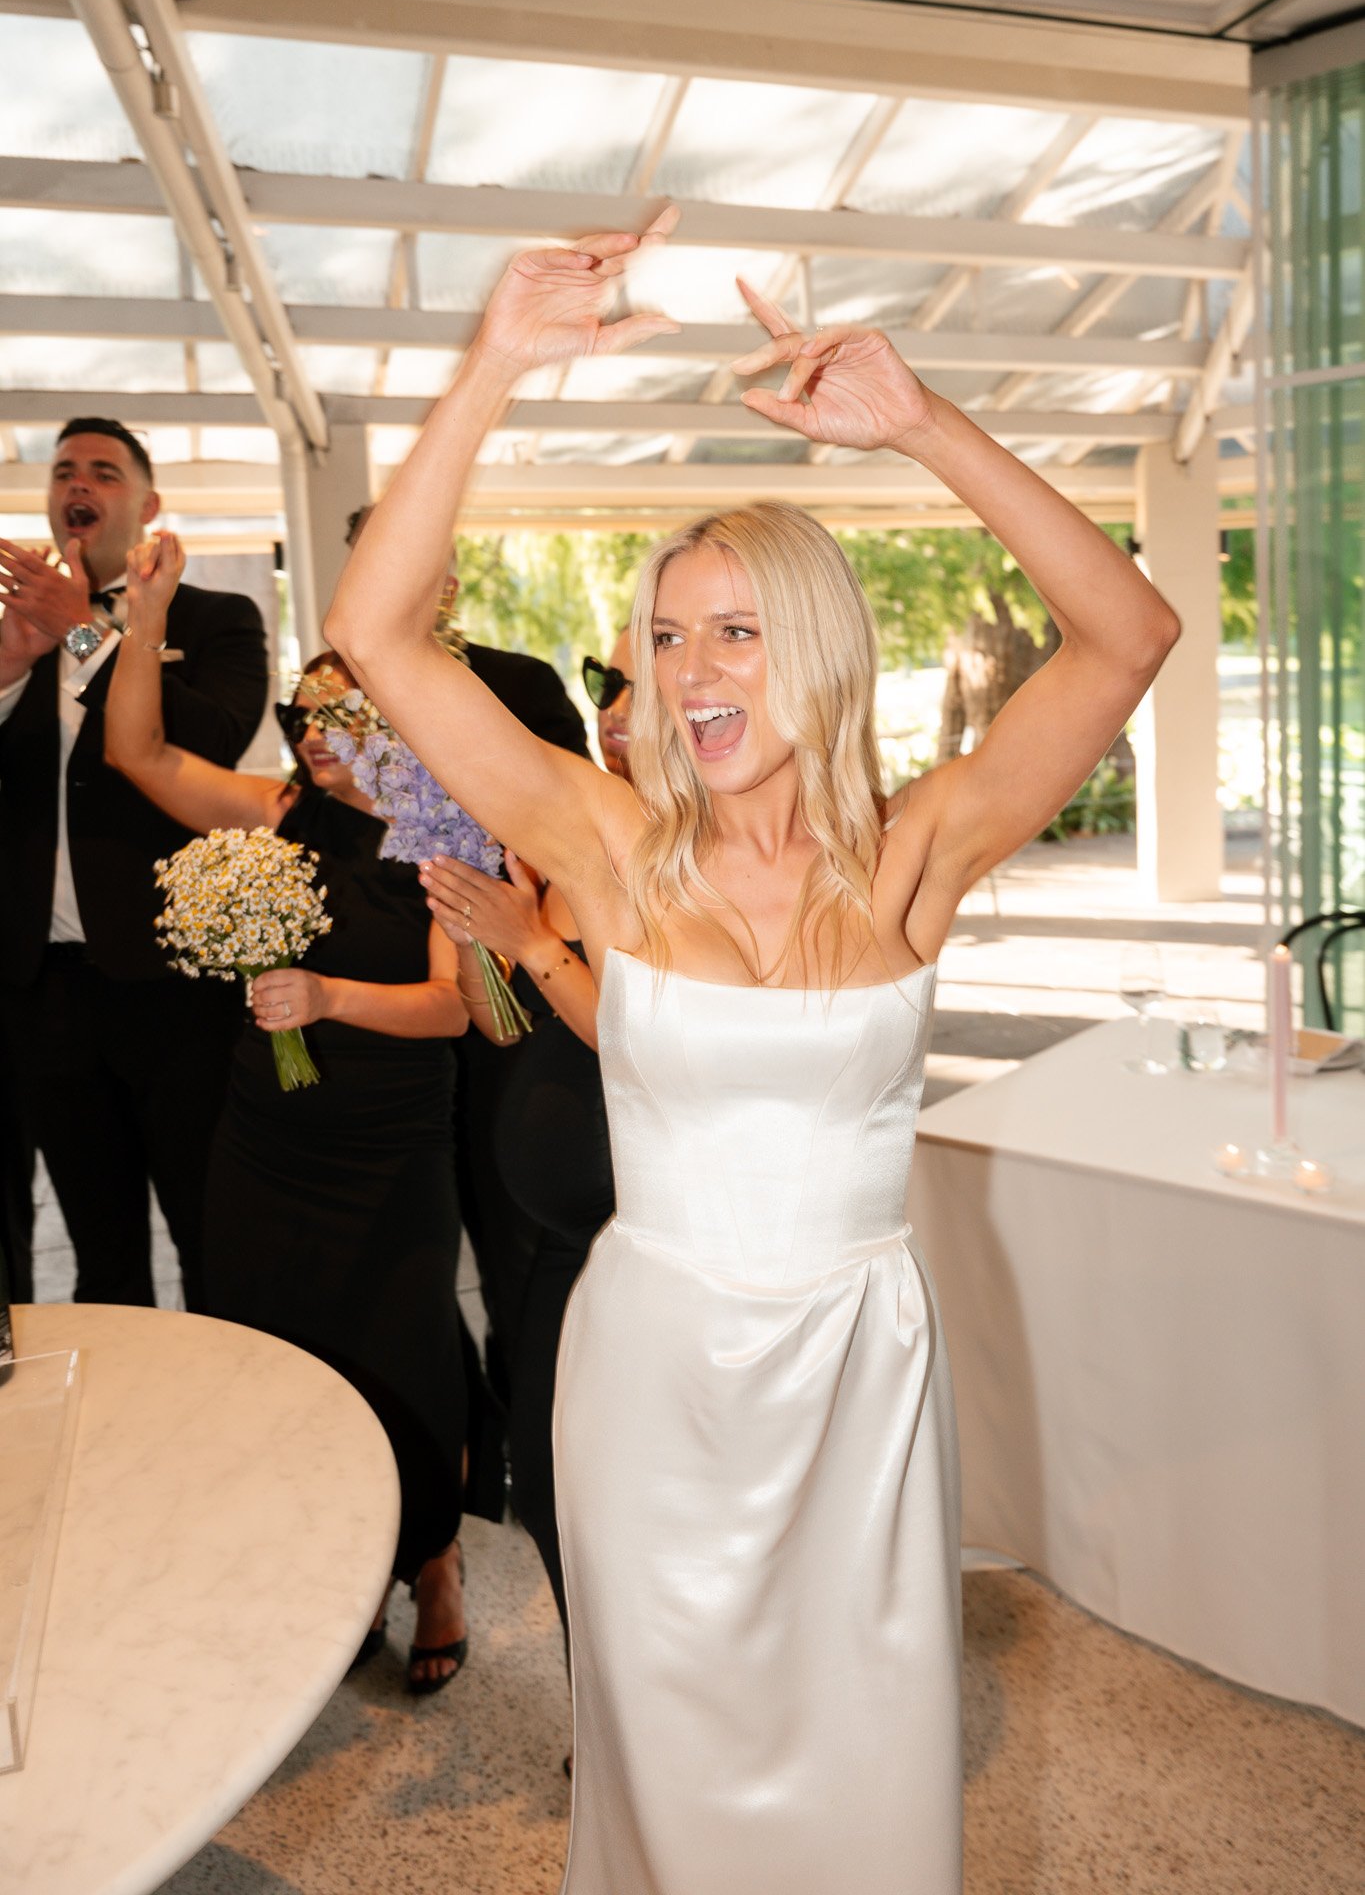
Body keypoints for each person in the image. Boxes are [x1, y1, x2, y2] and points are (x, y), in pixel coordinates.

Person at [325, 210, 1178, 1894]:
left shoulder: (922, 850)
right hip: (656, 1380)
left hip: (859, 1376)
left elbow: (1130, 635)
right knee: (672, 1755)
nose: (690, 672)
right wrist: (495, 356)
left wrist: (921, 425)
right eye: (663, 633)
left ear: (819, 640)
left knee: (860, 1763)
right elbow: (381, 631)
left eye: (733, 629)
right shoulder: (610, 846)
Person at [103, 532, 472, 1694]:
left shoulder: (442, 837)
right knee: (282, 1353)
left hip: (384, 1151)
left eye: (336, 711)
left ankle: (439, 1562)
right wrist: (148, 610)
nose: (310, 731)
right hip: (264, 1144)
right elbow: (138, 748)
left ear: (398, 718)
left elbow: (458, 1008)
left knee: (403, 1351)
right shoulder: (271, 815)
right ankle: (341, 1561)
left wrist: (325, 994)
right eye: (300, 711)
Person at [0, 418, 267, 1308]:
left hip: (173, 983)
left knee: (211, 1234)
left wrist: (85, 636)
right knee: (99, 1256)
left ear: (147, 506)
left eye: (105, 472)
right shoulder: (14, 631)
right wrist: (10, 664)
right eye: (65, 470)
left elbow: (216, 738)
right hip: (44, 990)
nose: (79, 483)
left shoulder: (217, 618)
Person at [347, 499, 590, 1454]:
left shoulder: (517, 683)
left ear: (447, 577)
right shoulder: (332, 696)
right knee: (403, 1253)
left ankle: (536, 1428)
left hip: (502, 987)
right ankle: (455, 1445)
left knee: (513, 1234)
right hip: (382, 1010)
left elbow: (573, 824)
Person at [421, 625, 635, 1643]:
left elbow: (654, 1045)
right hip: (543, 1226)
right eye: (609, 680)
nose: (618, 703)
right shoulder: (545, 853)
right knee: (550, 1482)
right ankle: (603, 1697)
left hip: (644, 1219)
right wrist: (475, 939)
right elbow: (498, 1023)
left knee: (640, 1480)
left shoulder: (683, 851)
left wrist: (536, 944)